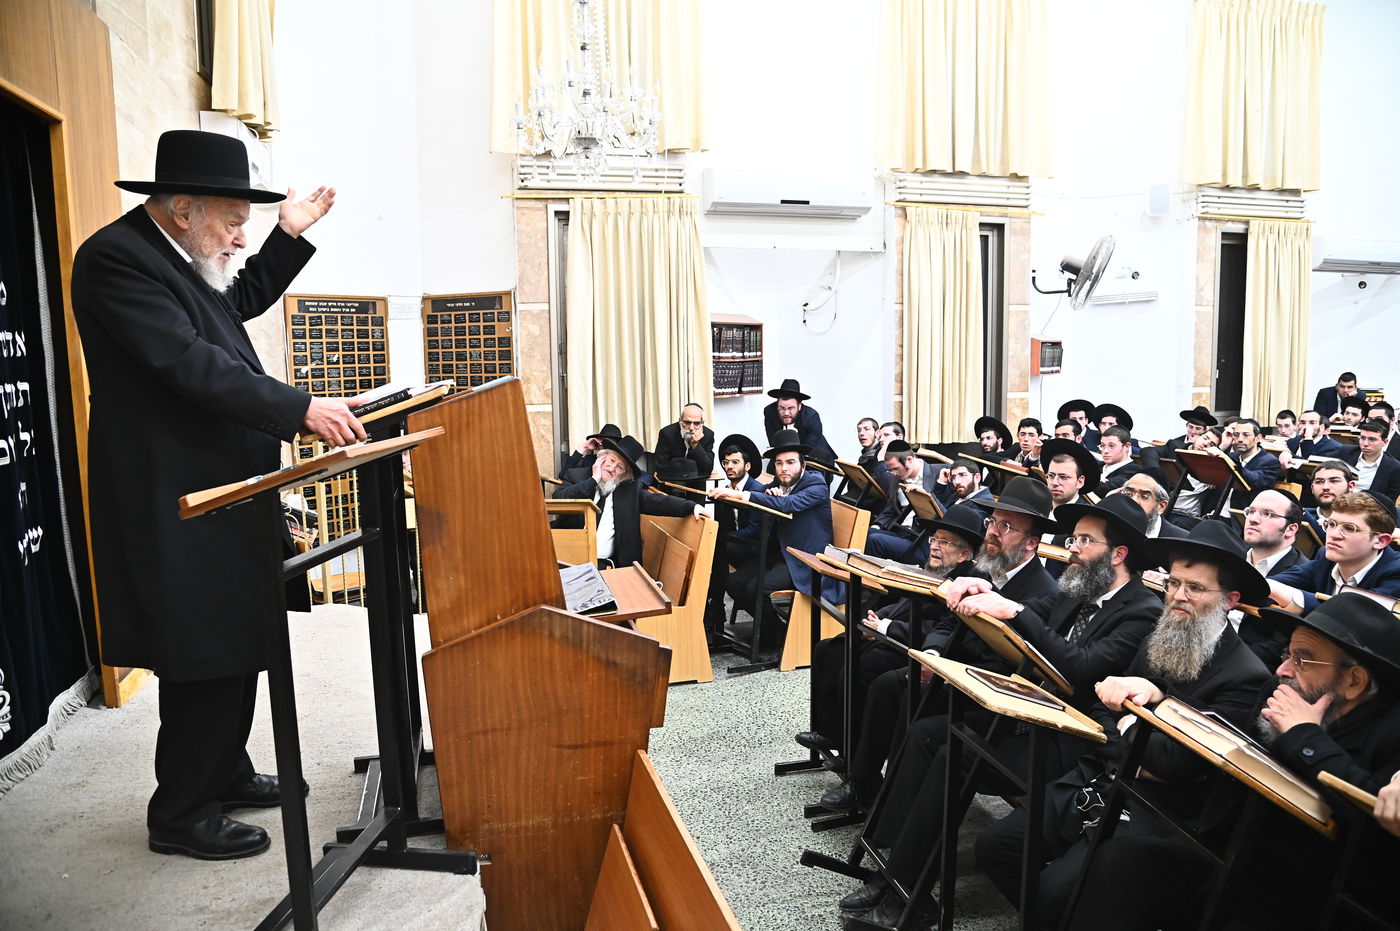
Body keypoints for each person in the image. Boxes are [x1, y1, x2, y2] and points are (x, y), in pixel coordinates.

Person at [71, 130, 362, 861]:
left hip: (223, 490)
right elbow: (190, 362)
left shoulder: (183, 254)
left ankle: (224, 769)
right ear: (180, 208)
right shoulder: (115, 261)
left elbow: (241, 301)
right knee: (201, 645)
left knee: (238, 635)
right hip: (172, 492)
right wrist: (299, 408)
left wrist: (288, 236)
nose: (240, 236)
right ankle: (182, 809)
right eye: (233, 220)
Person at [841, 493, 1162, 926]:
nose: (1072, 548)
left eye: (1084, 540)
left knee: (956, 751)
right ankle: (894, 872)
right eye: (1074, 538)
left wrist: (1012, 609)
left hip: (1074, 741)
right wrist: (982, 587)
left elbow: (1079, 667)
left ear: (1118, 554)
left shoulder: (1142, 610)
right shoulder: (1075, 590)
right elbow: (1031, 610)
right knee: (928, 733)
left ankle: (909, 896)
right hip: (1029, 713)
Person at [975, 520, 1272, 928]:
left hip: (1157, 811)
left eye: (1195, 588)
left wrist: (1130, 723)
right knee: (996, 848)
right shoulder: (1159, 635)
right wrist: (1129, 732)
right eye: (1173, 583)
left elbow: (1179, 766)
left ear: (1231, 600)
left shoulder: (1246, 676)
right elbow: (1102, 706)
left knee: (1056, 890)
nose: (1178, 597)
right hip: (1098, 777)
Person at [1065, 593, 1400, 931]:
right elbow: (1230, 730)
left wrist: (1305, 736)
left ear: (1354, 681)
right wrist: (1161, 695)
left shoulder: (1391, 735)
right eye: (1288, 653)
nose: (1283, 670)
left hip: (1304, 900)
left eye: (1302, 660)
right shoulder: (1281, 687)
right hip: (1226, 854)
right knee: (1118, 861)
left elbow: (1374, 825)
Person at [711, 429, 837, 645]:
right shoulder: (778, 484)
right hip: (781, 554)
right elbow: (765, 494)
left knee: (760, 588)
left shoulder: (816, 484)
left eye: (790, 462)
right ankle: (774, 631)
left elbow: (787, 504)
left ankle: (776, 635)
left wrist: (741, 494)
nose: (784, 468)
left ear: (803, 465)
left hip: (806, 559)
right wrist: (768, 494)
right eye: (779, 463)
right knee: (734, 583)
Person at [554, 434, 701, 567]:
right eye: (611, 460)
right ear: (602, 457)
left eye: (619, 468)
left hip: (605, 566)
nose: (612, 468)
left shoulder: (629, 490)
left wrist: (691, 506)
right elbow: (558, 500)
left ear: (624, 475)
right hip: (568, 562)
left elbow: (658, 502)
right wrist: (593, 480)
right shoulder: (577, 476)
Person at [1268, 491, 1400, 615]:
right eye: (1331, 524)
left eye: (1349, 528)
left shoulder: (1396, 574)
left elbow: (1352, 616)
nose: (1334, 535)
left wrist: (1288, 594)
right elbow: (1273, 584)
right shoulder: (1326, 558)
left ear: (1381, 541)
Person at [864, 440, 939, 562]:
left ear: (909, 460)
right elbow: (890, 508)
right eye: (891, 470)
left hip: (921, 540)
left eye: (896, 468)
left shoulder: (938, 473)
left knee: (874, 540)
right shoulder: (896, 478)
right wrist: (877, 525)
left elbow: (943, 510)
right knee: (861, 532)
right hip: (900, 531)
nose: (893, 473)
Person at [761, 377, 837, 466]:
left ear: (799, 406)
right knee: (771, 468)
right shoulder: (770, 412)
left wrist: (792, 438)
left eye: (790, 408)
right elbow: (773, 442)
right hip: (786, 454)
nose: (786, 413)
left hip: (815, 455)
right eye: (781, 408)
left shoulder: (811, 417)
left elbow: (808, 449)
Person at [652, 402, 715, 491]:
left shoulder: (708, 435)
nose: (691, 428)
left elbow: (707, 469)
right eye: (687, 422)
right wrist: (691, 468)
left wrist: (696, 445)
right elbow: (661, 467)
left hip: (696, 485)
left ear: (702, 423)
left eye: (697, 423)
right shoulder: (667, 433)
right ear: (680, 421)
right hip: (670, 484)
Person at [1339, 417, 1400, 499]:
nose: (1365, 443)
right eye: (1363, 438)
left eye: (1372, 439)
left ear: (1385, 442)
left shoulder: (1394, 467)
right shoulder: (1345, 452)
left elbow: (1390, 501)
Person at [1095, 426, 1142, 491]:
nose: (1105, 451)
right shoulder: (1098, 466)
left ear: (1127, 446)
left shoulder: (1133, 470)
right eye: (1103, 446)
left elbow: (1103, 490)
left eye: (1111, 446)